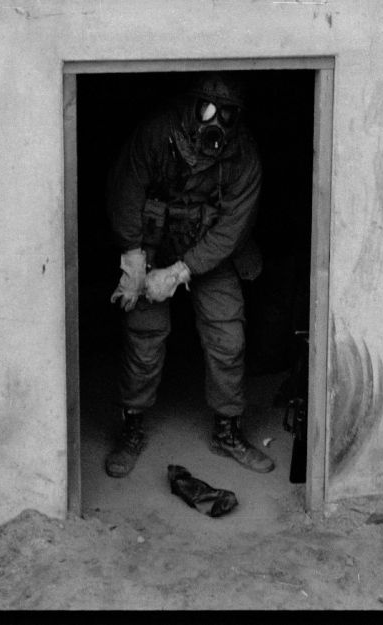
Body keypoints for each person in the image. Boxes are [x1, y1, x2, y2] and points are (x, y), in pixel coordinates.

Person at [103, 73, 273, 478]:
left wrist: (181, 271)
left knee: (227, 336)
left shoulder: (243, 155)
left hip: (206, 252)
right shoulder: (157, 133)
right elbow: (124, 191)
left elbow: (233, 228)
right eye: (208, 111)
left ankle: (227, 431)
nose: (216, 122)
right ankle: (132, 425)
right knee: (144, 334)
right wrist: (133, 261)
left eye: (227, 115)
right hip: (151, 243)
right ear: (190, 106)